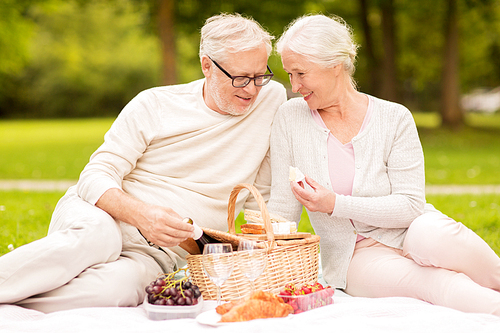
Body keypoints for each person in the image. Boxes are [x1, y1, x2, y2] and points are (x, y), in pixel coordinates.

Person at [0, 13, 287, 313]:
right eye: (240, 78)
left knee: (116, 290)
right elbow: (95, 175)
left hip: (159, 255)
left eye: (259, 76)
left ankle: (12, 302)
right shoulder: (155, 104)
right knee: (99, 237)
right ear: (207, 65)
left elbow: (260, 196)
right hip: (101, 216)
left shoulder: (270, 100)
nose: (252, 89)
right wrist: (142, 216)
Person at [267, 14, 500, 316]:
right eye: (289, 74)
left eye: (300, 73)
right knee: (438, 284)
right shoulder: (290, 118)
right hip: (357, 256)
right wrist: (254, 250)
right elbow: (283, 210)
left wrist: (335, 204)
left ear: (335, 65)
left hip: (412, 226)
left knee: (438, 237)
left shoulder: (395, 117)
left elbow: (410, 206)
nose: (294, 85)